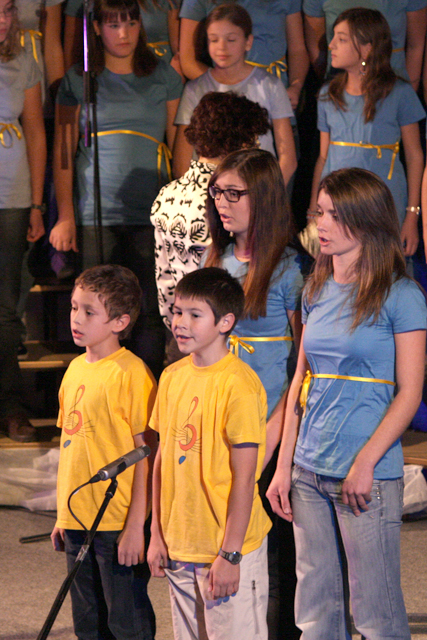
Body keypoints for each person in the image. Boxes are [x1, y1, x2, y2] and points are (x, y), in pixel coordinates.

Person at [267, 167, 427, 640]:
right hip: (308, 472)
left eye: (335, 215)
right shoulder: (314, 288)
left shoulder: (402, 295)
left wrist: (366, 463)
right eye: (320, 212)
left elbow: (410, 392)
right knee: (316, 610)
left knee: (376, 613)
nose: (323, 224)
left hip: (365, 473)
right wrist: (284, 467)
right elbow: (301, 381)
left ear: (366, 221)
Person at [203, 148, 309, 638]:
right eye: (217, 192)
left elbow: (303, 364)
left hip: (273, 426)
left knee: (278, 552)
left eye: (234, 193)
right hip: (224, 420)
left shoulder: (291, 268)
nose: (222, 203)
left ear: (263, 197)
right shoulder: (217, 258)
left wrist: (274, 434)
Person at [49, 0, 182, 379]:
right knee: (97, 311)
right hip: (97, 213)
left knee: (149, 312)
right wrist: (66, 215)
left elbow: (179, 146)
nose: (123, 34)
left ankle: (145, 396)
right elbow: (64, 153)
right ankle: (100, 395)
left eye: (131, 24)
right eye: (113, 25)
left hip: (151, 214)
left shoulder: (163, 76)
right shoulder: (78, 80)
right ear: (96, 28)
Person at [147, 267, 271, 640]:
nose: (180, 323)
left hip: (226, 548)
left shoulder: (239, 385)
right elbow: (163, 459)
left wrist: (231, 554)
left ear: (225, 322)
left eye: (195, 315)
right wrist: (156, 532)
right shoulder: (172, 376)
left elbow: (245, 479)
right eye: (177, 311)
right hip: (181, 544)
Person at [51, 264, 158, 640]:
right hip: (77, 517)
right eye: (73, 308)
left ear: (120, 321)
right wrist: (62, 514)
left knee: (126, 621)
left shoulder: (132, 374)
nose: (76, 318)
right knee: (87, 621)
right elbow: (71, 448)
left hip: (116, 522)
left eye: (89, 311)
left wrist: (136, 526)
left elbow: (145, 456)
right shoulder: (73, 370)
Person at [307, 8, 424, 260]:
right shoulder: (328, 94)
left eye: (341, 39)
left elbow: (415, 156)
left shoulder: (399, 93)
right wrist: (313, 210)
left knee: (382, 268)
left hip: (383, 201)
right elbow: (323, 157)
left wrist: (412, 215)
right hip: (338, 203)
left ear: (367, 48)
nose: (331, 45)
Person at [151, 90, 270, 335]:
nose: (255, 147)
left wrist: (177, 326)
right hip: (230, 334)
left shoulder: (167, 195)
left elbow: (164, 279)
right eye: (254, 140)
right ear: (242, 141)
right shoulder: (234, 198)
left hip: (182, 331)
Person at [173, 3, 297, 185]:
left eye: (231, 40)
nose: (222, 47)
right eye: (214, 40)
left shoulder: (269, 85)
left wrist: (266, 194)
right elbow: (181, 163)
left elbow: (288, 159)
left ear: (248, 42)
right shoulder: (195, 90)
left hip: (257, 188)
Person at [0, 0, 46, 442]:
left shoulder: (23, 62)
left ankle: (11, 406)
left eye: (8, 11)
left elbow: (35, 131)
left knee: (5, 308)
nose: (3, 20)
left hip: (11, 196)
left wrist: (36, 204)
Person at [179, 0, 309, 112]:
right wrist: (226, 90)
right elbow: (188, 60)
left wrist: (295, 86)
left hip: (275, 97)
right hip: (226, 103)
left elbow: (297, 49)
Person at [303, 0, 427, 85]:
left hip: (392, 85)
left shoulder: (400, 94)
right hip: (340, 87)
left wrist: (410, 90)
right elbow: (318, 48)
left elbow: (415, 46)